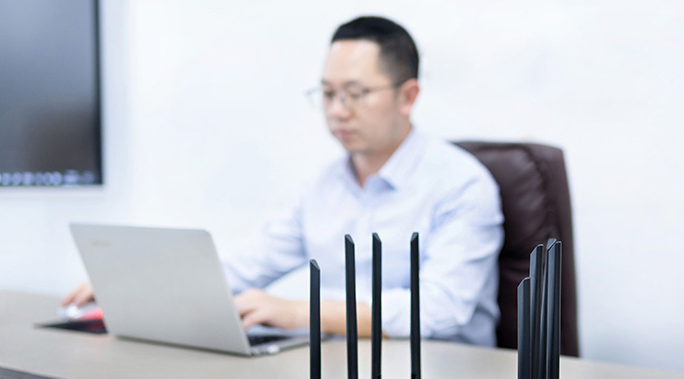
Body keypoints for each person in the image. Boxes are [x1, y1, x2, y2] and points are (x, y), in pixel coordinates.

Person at [63, 16, 504, 346]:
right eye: (328, 94)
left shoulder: (462, 184)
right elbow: (247, 266)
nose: (338, 110)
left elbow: (440, 310)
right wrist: (138, 287)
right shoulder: (323, 185)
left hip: (442, 377)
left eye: (355, 94)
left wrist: (300, 312)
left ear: (408, 96)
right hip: (335, 364)